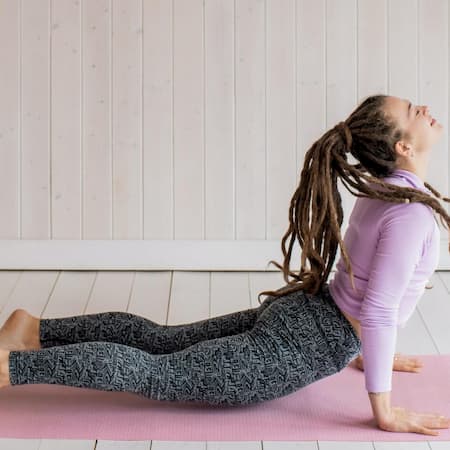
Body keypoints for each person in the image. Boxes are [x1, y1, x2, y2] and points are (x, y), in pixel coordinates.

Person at [0, 94, 449, 436]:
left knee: (160, 341)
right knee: (159, 372)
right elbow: (376, 310)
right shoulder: (409, 212)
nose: (424, 107)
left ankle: (34, 330)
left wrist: (365, 351)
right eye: (413, 110)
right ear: (404, 147)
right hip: (306, 343)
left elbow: (363, 290)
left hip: (306, 317)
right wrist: (384, 412)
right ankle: (11, 367)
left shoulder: (384, 192)